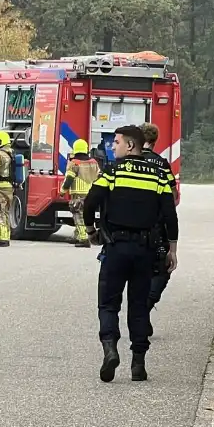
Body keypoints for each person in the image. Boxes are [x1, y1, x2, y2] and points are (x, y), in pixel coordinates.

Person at [83, 125, 178, 382]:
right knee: (138, 307)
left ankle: (110, 348)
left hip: (115, 248)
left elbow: (90, 201)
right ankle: (138, 363)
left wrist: (91, 230)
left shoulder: (112, 172)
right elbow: (170, 213)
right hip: (145, 251)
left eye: (116, 142)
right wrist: (172, 249)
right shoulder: (158, 174)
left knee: (108, 303)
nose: (112, 147)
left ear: (130, 145)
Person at [140, 122, 178, 310]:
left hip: (130, 226)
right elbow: (173, 197)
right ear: (155, 141)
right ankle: (146, 305)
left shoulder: (126, 163)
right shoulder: (162, 164)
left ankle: (139, 311)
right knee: (162, 268)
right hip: (157, 227)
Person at [62, 139, 101, 247]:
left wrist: (62, 190)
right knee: (87, 215)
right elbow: (99, 177)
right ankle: (79, 235)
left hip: (78, 194)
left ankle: (83, 239)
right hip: (91, 193)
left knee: (78, 216)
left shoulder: (74, 163)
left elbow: (69, 179)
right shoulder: (94, 162)